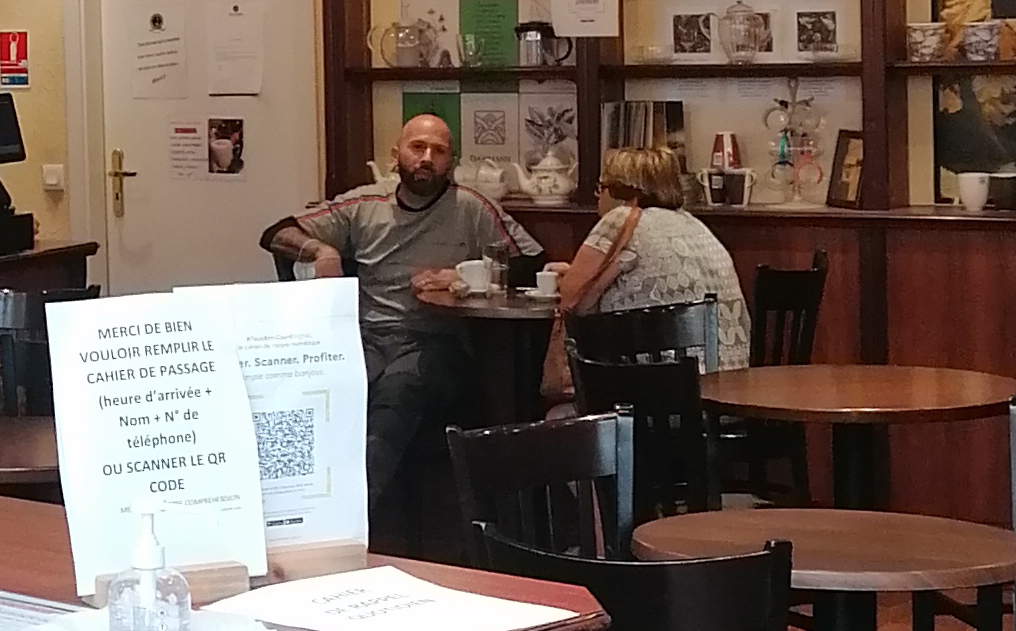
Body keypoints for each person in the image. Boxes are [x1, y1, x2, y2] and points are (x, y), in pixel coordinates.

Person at [269, 114, 541, 518]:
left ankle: (350, 517)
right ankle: (291, 512)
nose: (427, 158)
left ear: (452, 162)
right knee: (307, 389)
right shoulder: (364, 203)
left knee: (396, 393)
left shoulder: (471, 206)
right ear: (396, 155)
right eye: (418, 147)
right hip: (364, 338)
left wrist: (462, 275)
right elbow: (276, 233)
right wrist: (320, 250)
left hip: (436, 341)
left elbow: (532, 262)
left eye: (439, 151)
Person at [551, 141, 750, 372]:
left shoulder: (621, 218)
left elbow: (571, 300)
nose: (598, 195)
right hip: (727, 380)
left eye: (601, 187)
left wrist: (563, 280)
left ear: (619, 191)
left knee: (559, 394)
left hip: (659, 382)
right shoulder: (693, 225)